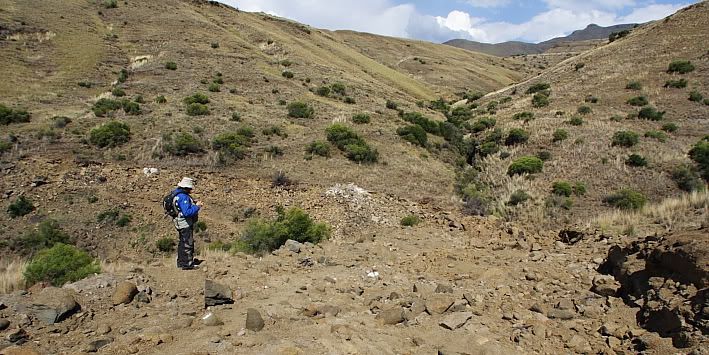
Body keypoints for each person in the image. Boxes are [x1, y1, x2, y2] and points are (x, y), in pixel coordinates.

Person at [171, 177, 203, 270]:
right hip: (184, 223)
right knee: (188, 242)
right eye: (190, 188)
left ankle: (181, 262)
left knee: (182, 242)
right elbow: (187, 212)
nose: (191, 190)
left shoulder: (177, 194)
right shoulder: (183, 197)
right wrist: (197, 207)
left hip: (178, 222)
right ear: (186, 188)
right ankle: (187, 264)